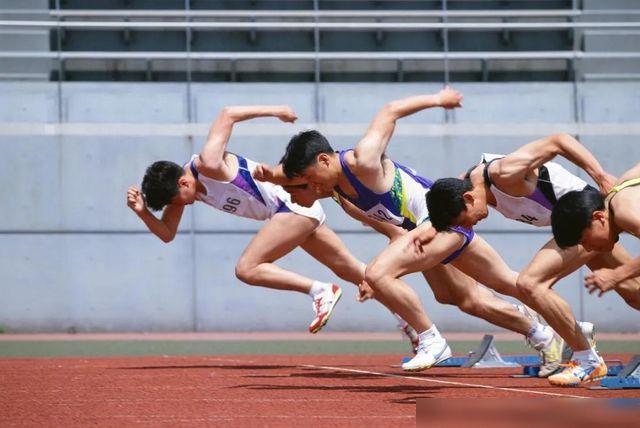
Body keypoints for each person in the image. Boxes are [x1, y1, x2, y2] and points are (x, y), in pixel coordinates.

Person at [266, 88, 561, 374]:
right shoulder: (343, 198)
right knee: (472, 296)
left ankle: (430, 340)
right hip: (425, 232)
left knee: (379, 272)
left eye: (308, 178)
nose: (309, 187)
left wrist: (439, 99)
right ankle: (549, 334)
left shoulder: (362, 161)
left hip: (441, 219)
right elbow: (394, 233)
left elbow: (389, 110)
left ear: (324, 160)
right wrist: (258, 173)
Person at [126, 104, 418, 345]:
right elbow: (166, 234)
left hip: (289, 206)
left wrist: (276, 111)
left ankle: (319, 290)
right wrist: (142, 212)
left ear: (183, 181)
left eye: (179, 199)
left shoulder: (208, 163)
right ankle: (412, 325)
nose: (182, 205)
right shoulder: (182, 192)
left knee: (247, 268)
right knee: (360, 273)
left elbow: (228, 114)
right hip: (294, 214)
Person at [425, 133, 625, 386]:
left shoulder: (504, 173)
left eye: (465, 220)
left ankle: (586, 356)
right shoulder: (465, 187)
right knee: (632, 292)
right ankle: (578, 334)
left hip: (591, 220)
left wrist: (600, 175)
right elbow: (442, 205)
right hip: (576, 229)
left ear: (468, 199)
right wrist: (423, 233)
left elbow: (559, 141)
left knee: (531, 283)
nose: (470, 225)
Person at [552, 162, 640, 307]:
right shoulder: (616, 200)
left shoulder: (624, 212)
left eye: (584, 240)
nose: (588, 249)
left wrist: (617, 275)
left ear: (599, 217)